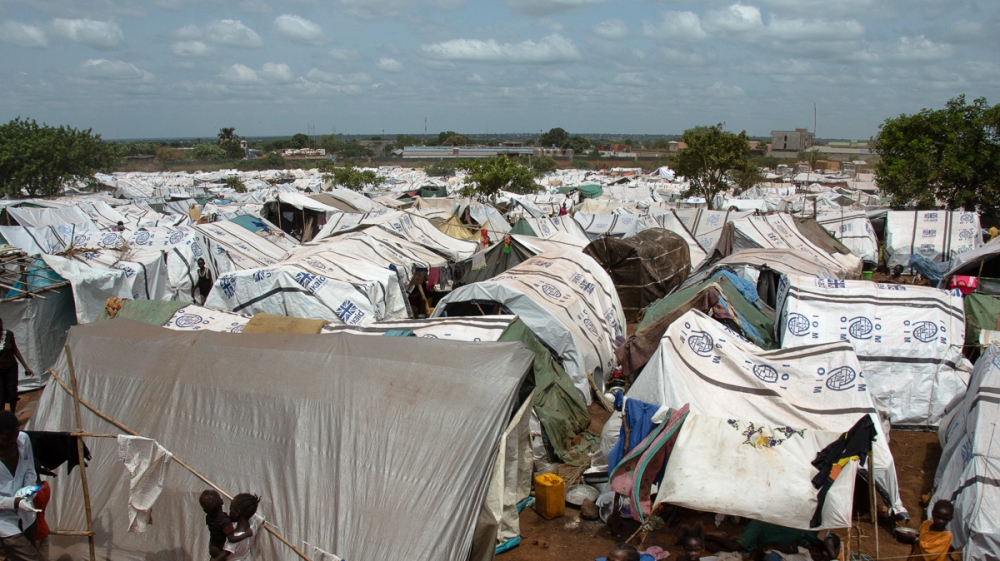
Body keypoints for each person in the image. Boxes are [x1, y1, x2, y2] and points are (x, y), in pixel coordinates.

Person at [0, 411, 44, 561]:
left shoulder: (23, 440)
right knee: (33, 558)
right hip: (3, 521)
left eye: (15, 435)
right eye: (7, 438)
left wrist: (27, 494)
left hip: (26, 515)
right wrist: (14, 502)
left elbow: (30, 471)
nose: (13, 440)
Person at [707, 520, 819, 559]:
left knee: (730, 551)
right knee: (736, 546)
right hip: (759, 527)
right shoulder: (807, 532)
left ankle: (704, 542)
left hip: (761, 540)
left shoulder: (803, 539)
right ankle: (708, 536)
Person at [213, 493, 261, 561]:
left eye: (231, 509)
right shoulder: (253, 527)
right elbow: (256, 517)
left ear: (237, 512)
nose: (229, 513)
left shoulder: (233, 541)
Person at [0, 319, 33, 413]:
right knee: (0, 397)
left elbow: (15, 350)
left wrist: (26, 367)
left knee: (12, 393)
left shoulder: (8, 335)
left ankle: (12, 415)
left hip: (11, 368)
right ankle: (2, 420)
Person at [200, 490, 234, 559]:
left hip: (213, 545)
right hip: (222, 547)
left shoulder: (209, 518)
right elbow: (231, 538)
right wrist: (246, 534)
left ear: (205, 511)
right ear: (222, 501)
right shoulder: (224, 522)